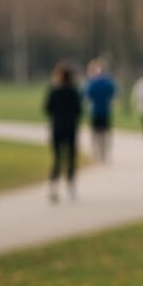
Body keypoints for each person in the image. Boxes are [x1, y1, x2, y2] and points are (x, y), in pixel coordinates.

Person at [44, 61, 82, 202]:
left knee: (57, 159)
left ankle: (53, 188)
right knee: (71, 159)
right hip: (71, 129)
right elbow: (79, 111)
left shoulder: (54, 91)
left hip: (57, 128)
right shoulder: (74, 92)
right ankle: (71, 189)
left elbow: (47, 109)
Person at [84, 59, 116, 164]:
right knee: (105, 134)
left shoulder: (90, 83)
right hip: (105, 111)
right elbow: (113, 96)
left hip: (94, 112)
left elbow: (86, 97)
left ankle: (96, 153)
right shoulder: (108, 82)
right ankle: (104, 153)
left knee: (95, 134)